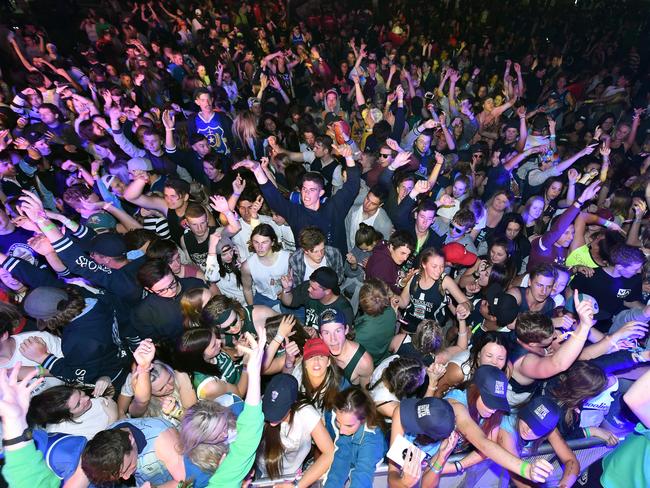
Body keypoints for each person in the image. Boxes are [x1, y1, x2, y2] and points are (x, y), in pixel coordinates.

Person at [233, 146, 360, 255]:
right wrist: (257, 169)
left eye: (312, 190)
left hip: (334, 267)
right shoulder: (295, 212)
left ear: (321, 193)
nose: (306, 194)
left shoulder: (334, 207)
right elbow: (274, 197)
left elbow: (352, 186)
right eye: (304, 189)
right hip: (308, 271)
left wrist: (349, 158)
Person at [256, 373, 335, 486]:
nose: (272, 417)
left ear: (292, 404)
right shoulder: (257, 405)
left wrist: (298, 485)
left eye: (279, 410)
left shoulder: (305, 413)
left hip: (292, 477)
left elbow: (329, 453)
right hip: (261, 475)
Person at [497, 395, 579, 488]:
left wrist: (563, 486)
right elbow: (516, 473)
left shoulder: (547, 426)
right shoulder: (507, 427)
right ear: (524, 412)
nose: (528, 431)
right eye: (529, 421)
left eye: (537, 429)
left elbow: (571, 461)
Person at [117, 339, 197, 425]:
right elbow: (137, 406)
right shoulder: (135, 384)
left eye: (169, 378)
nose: (170, 387)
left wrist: (176, 412)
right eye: (161, 389)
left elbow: (194, 420)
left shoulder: (180, 375)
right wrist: (121, 415)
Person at [323, 386, 387, 488]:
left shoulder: (372, 440)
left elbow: (362, 475)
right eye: (338, 422)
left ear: (364, 419)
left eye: (349, 425)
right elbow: (341, 461)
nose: (342, 431)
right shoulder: (345, 426)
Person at [398, 247, 471, 333]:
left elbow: (468, 303)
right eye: (434, 266)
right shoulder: (414, 275)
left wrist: (466, 306)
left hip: (430, 332)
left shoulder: (445, 281)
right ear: (424, 264)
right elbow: (403, 303)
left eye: (442, 266)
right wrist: (390, 294)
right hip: (409, 325)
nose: (439, 271)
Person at [27, 384, 118, 439]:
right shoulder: (62, 436)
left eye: (80, 393)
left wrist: (105, 379)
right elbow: (103, 452)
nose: (86, 398)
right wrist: (113, 419)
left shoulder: (95, 401)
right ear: (62, 419)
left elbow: (111, 392)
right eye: (78, 404)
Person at [279, 266, 354, 331]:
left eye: (313, 288)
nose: (309, 289)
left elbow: (340, 340)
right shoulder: (308, 289)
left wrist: (317, 335)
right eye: (310, 285)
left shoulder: (344, 309)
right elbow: (289, 302)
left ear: (327, 291)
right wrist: (287, 289)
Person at [240, 223, 290, 309]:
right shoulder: (247, 266)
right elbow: (247, 289)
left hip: (287, 294)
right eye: (256, 242)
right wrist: (252, 310)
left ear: (273, 242)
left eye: (264, 242)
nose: (260, 247)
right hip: (263, 298)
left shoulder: (287, 258)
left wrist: (287, 292)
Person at [319, 309, 374, 387]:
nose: (333, 339)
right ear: (321, 336)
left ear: (346, 330)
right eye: (326, 333)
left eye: (338, 331)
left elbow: (367, 395)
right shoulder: (319, 351)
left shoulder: (363, 362)